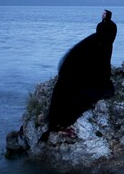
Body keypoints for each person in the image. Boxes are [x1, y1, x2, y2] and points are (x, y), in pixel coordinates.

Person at [39, 10, 117, 142]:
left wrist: (102, 42)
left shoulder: (112, 26)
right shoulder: (100, 24)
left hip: (104, 48)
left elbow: (110, 38)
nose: (102, 15)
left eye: (104, 13)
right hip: (98, 45)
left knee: (101, 65)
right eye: (102, 13)